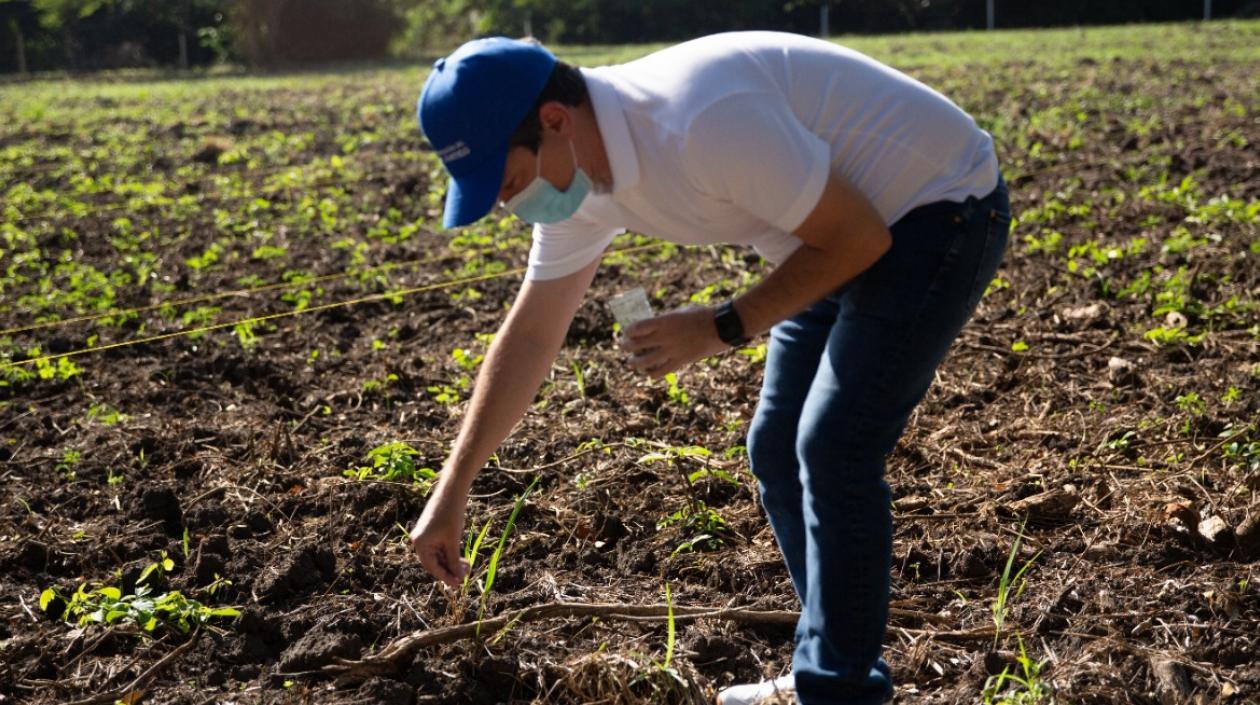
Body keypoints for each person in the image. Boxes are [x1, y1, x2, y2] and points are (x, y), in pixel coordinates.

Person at [409, 31, 1011, 705]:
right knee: (777, 447)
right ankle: (835, 671)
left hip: (939, 209)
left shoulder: (695, 121)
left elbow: (862, 237)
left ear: (555, 122)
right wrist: (453, 486)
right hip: (832, 236)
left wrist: (720, 326)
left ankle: (836, 690)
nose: (505, 205)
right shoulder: (581, 181)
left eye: (508, 181)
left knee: (835, 445)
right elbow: (529, 337)